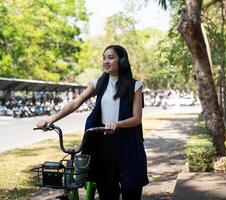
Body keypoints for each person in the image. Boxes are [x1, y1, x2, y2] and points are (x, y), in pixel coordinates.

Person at [36, 44, 149, 200]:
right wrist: (50, 119)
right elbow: (76, 102)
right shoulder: (98, 83)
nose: (106, 61)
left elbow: (137, 119)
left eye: (110, 57)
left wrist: (117, 124)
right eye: (104, 58)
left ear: (122, 61)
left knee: (132, 189)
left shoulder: (134, 85)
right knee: (106, 190)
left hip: (128, 141)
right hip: (103, 143)